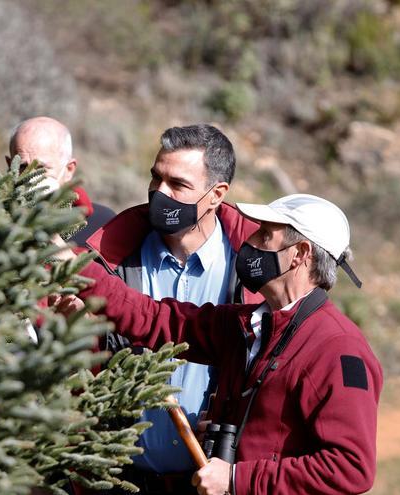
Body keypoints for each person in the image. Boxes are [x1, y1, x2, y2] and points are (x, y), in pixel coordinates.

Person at [54, 193, 381, 495]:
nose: (250, 242)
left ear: (300, 255)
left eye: (265, 235)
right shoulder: (245, 325)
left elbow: (350, 467)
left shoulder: (339, 349)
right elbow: (158, 319)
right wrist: (73, 267)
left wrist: (237, 478)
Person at [79, 124, 262, 494]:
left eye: (178, 185)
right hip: (116, 481)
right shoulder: (110, 261)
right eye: (155, 178)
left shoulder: (255, 276)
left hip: (208, 484)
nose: (159, 193)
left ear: (216, 195)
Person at [7, 117, 115, 247]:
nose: (31, 176)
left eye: (41, 168)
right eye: (22, 167)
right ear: (10, 165)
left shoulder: (103, 225)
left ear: (69, 169)